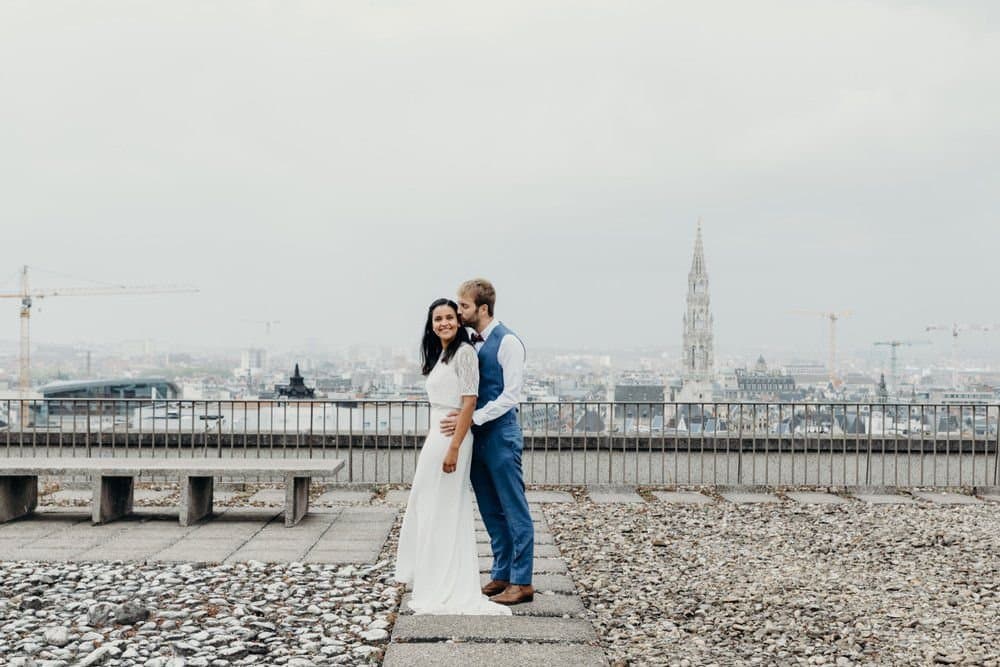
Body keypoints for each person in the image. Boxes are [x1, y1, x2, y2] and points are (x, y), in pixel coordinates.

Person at [394, 298, 512, 616]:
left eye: (449, 317)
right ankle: (433, 577)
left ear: (458, 322)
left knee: (444, 507)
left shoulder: (464, 353)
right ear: (431, 325)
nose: (444, 322)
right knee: (429, 504)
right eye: (438, 319)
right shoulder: (440, 354)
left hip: (451, 437)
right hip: (438, 433)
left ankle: (446, 582)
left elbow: (470, 401)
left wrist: (455, 447)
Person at [441, 278, 534, 605]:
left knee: (514, 507)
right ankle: (501, 573)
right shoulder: (469, 341)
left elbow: (511, 396)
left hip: (500, 435)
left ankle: (522, 582)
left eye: (463, 306)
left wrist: (473, 419)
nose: (458, 310)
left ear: (483, 308)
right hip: (476, 437)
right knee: (490, 510)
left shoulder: (508, 342)